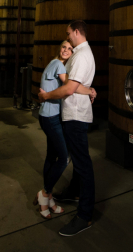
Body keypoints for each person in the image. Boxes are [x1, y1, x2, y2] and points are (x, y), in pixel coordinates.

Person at [38, 20, 96, 236]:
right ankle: (74, 192)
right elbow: (77, 84)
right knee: (77, 160)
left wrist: (46, 96)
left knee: (83, 165)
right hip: (71, 115)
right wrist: (90, 90)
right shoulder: (79, 54)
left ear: (77, 31)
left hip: (76, 116)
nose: (68, 37)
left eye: (69, 33)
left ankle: (84, 215)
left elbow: (69, 88)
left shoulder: (81, 56)